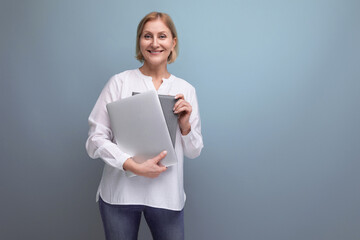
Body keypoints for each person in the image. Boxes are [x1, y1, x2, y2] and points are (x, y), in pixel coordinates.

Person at [85, 11, 203, 240]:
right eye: (147, 36)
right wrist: (130, 165)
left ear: (173, 42)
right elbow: (95, 139)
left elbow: (194, 151)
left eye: (162, 36)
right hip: (120, 195)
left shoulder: (185, 90)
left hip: (167, 197)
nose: (155, 43)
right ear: (139, 41)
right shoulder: (119, 82)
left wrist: (186, 125)